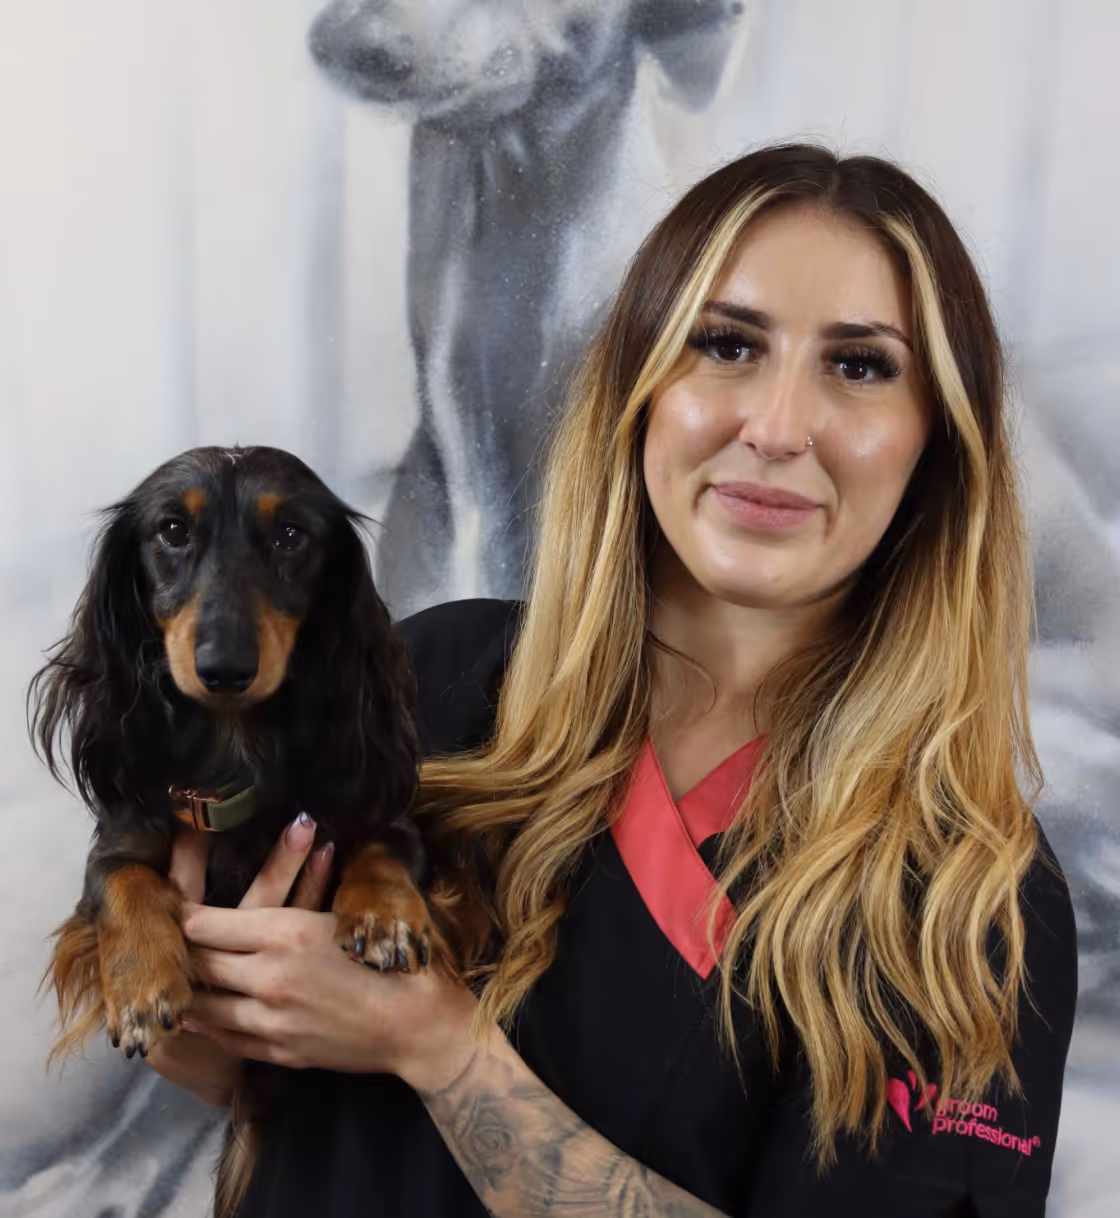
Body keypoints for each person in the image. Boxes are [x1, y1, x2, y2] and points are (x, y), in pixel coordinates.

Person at [148, 143, 1078, 1217]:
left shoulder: (972, 904)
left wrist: (441, 1049)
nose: (775, 427)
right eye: (725, 345)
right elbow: (262, 1087)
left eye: (859, 365)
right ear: (640, 388)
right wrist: (222, 1011)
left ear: (938, 439)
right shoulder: (428, 682)